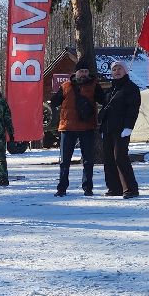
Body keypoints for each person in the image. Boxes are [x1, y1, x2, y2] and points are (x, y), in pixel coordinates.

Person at [48, 65, 99, 197]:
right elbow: (54, 102)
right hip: (68, 127)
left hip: (87, 127)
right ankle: (62, 188)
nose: (83, 74)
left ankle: (88, 187)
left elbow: (104, 100)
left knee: (88, 160)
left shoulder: (94, 86)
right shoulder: (65, 86)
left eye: (86, 71)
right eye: (81, 71)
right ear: (75, 73)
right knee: (65, 160)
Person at [98, 61, 142, 198]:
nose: (117, 71)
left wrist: (129, 126)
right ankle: (114, 188)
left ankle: (130, 188)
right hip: (108, 129)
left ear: (125, 71)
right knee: (109, 159)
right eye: (114, 69)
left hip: (121, 129)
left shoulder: (131, 88)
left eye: (120, 68)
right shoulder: (111, 89)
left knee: (120, 157)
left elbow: (133, 109)